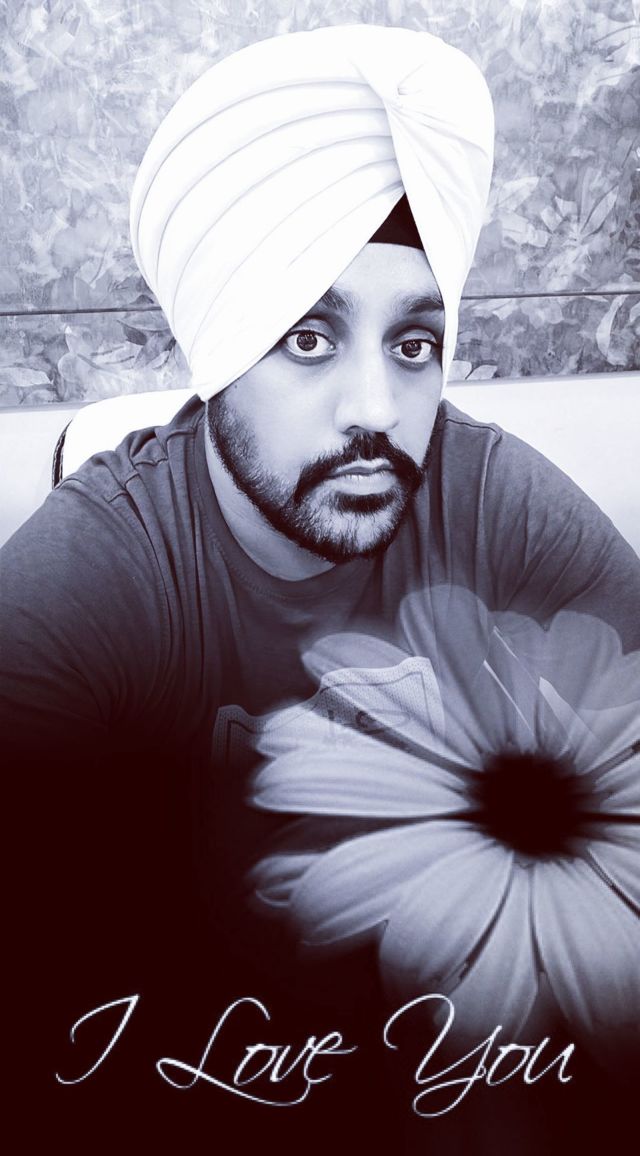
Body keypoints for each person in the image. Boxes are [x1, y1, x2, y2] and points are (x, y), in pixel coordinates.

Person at [3, 24, 639, 1155]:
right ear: (219, 351)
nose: (377, 410)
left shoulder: (491, 496)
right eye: (307, 337)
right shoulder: (99, 570)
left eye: (413, 343)